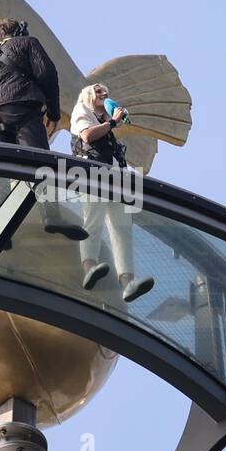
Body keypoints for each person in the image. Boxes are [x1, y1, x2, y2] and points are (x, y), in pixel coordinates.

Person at [0, 17, 86, 241]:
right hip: (19, 106)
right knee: (39, 162)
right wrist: (53, 113)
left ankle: (1, 229)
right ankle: (51, 215)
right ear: (20, 31)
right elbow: (47, 75)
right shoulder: (27, 43)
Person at [70, 83, 155, 303]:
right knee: (93, 220)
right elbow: (87, 136)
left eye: (106, 91)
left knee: (122, 229)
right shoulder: (82, 111)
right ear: (88, 95)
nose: (104, 94)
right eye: (98, 91)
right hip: (92, 174)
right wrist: (113, 122)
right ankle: (89, 266)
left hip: (115, 179)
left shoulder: (105, 122)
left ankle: (128, 282)